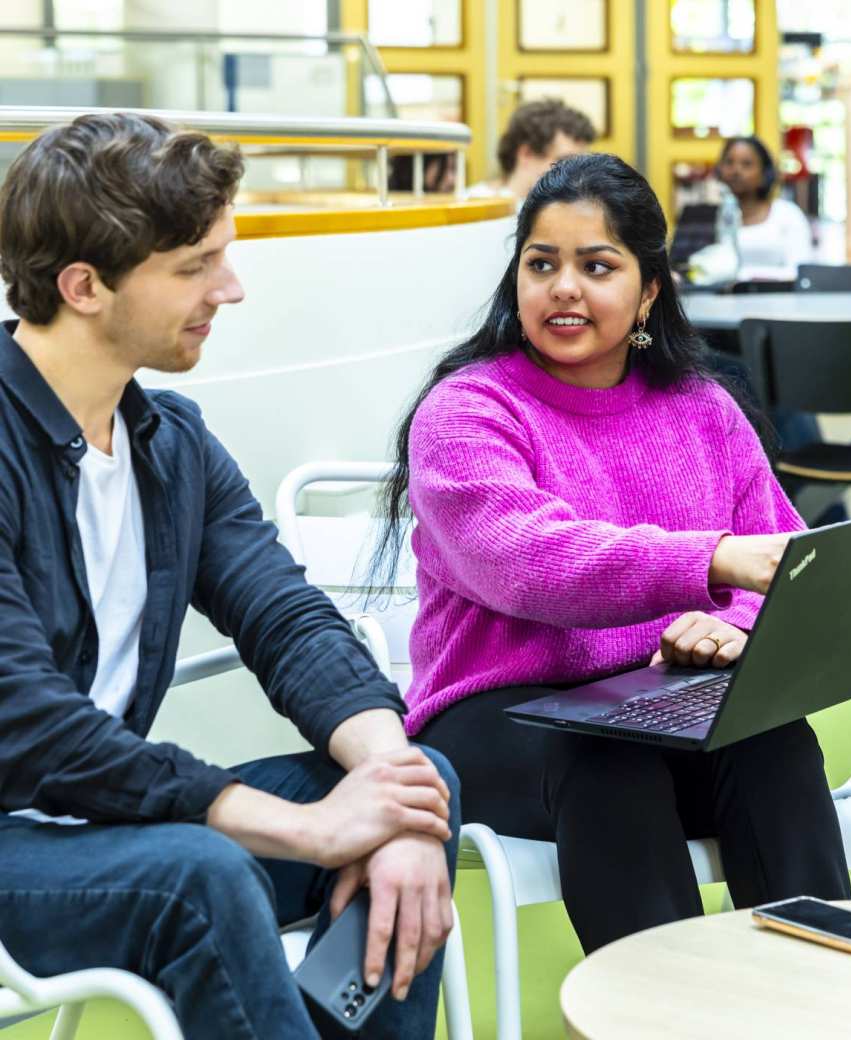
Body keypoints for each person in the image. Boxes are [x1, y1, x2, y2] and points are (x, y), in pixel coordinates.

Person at [0, 113, 458, 1040]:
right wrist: (303, 829)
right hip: (19, 839)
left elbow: (288, 620)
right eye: (194, 266)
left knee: (420, 780)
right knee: (203, 877)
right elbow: (28, 723)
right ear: (84, 286)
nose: (231, 288)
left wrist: (389, 788)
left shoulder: (170, 444)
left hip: (111, 823)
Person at [371, 153, 851, 956]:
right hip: (500, 720)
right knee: (606, 762)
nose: (564, 288)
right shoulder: (465, 412)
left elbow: (782, 561)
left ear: (649, 291)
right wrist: (714, 562)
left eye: (597, 266)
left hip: (664, 707)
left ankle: (825, 1004)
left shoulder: (703, 408)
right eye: (541, 264)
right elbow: (526, 561)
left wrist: (736, 628)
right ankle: (661, 1016)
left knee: (774, 739)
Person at [716, 135, 814, 278]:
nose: (736, 171)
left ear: (764, 173)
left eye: (747, 164)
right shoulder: (716, 215)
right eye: (729, 163)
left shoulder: (787, 214)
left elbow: (800, 271)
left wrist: (746, 277)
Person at [468, 97, 596, 202]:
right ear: (527, 154)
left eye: (582, 164)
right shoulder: (470, 207)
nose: (579, 175)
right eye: (566, 162)